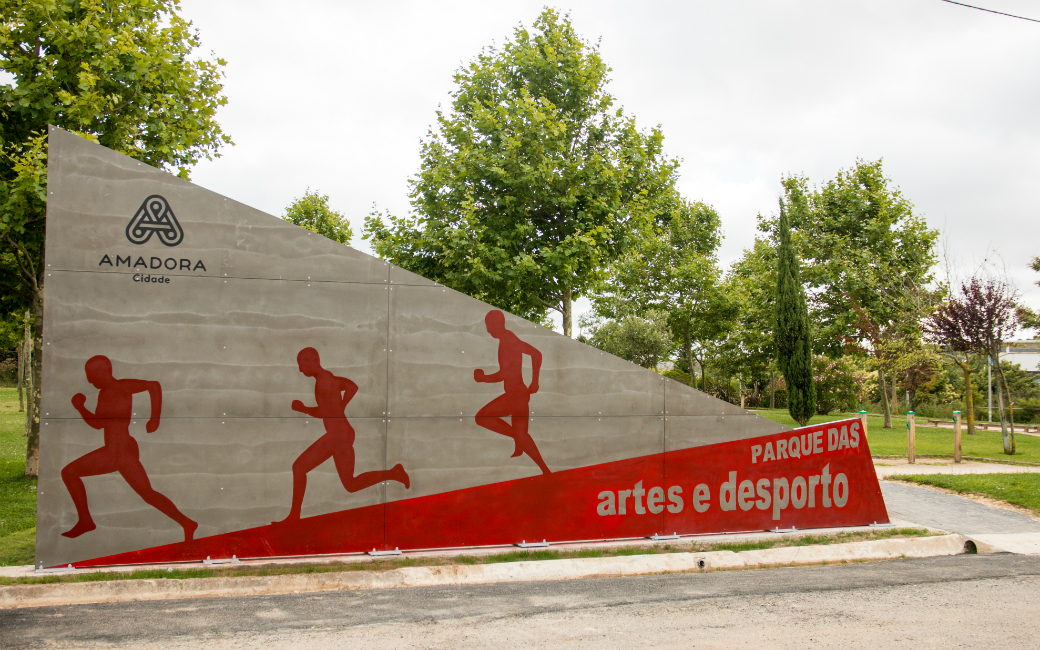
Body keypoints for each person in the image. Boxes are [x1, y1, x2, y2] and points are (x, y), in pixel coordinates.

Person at [62, 356, 197, 541]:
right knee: (147, 494)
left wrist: (155, 418)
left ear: (103, 372)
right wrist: (81, 408)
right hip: (119, 449)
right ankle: (187, 523)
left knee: (69, 472)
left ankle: (86, 521)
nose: (89, 381)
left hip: (118, 451)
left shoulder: (121, 386)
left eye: (91, 375)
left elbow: (154, 385)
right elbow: (99, 424)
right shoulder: (107, 392)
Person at [276, 347, 409, 523]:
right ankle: (393, 473)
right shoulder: (327, 377)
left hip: (338, 435)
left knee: (299, 467)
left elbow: (325, 411)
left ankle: (294, 516)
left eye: (301, 365)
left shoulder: (323, 382)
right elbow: (351, 386)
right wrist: (341, 406)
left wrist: (304, 409)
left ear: (313, 361)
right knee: (351, 484)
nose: (300, 370)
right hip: (342, 434)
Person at [474, 310, 551, 475]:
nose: (488, 331)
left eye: (489, 327)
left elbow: (505, 373)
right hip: (520, 393)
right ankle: (545, 470)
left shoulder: (508, 340)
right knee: (522, 435)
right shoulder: (509, 338)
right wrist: (534, 381)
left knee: (482, 417)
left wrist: (483, 378)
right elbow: (535, 354)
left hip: (516, 395)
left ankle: (519, 440)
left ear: (498, 324)